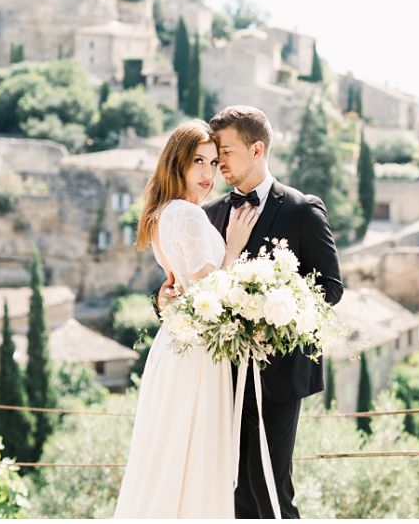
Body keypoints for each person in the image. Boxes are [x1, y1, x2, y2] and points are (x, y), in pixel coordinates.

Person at [155, 106, 344, 518]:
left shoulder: (301, 209)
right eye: (213, 155)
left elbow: (331, 288)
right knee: (230, 492)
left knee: (270, 489)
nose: (218, 163)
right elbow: (191, 287)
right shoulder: (208, 214)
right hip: (218, 376)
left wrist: (272, 317)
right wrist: (163, 300)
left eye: (226, 152)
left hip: (278, 374)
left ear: (257, 149)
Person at [114, 119, 259, 518]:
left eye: (214, 163)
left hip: (175, 345)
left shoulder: (162, 214)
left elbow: (182, 285)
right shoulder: (190, 216)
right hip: (196, 354)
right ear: (176, 162)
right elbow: (212, 289)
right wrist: (233, 249)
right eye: (198, 161)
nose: (207, 173)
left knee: (167, 456)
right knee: (194, 461)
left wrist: (167, 299)